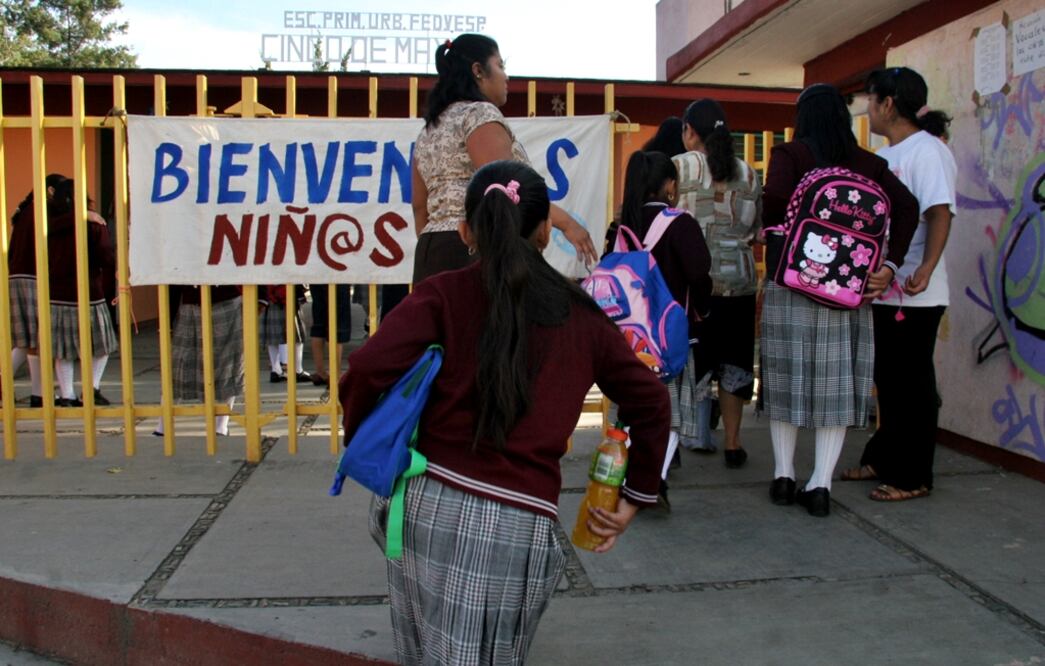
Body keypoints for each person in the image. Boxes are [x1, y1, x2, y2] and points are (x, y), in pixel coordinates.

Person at [340, 161, 670, 664]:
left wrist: (359, 433)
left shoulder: (442, 293)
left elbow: (365, 368)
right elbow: (651, 400)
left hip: (422, 505)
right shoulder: (582, 315)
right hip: (516, 523)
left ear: (467, 230)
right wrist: (634, 497)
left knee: (421, 651)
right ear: (543, 231)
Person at [761, 84, 919, 517]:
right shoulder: (871, 164)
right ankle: (820, 485)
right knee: (833, 384)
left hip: (792, 282)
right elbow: (908, 207)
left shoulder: (790, 156)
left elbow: (774, 201)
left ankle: (783, 475)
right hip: (848, 290)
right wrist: (889, 265)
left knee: (786, 375)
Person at [841, 67, 957, 502]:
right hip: (882, 290)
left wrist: (926, 267)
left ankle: (913, 475)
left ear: (888, 103)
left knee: (912, 383)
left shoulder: (927, 152)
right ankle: (883, 458)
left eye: (871, 101)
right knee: (888, 380)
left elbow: (940, 212)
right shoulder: (884, 156)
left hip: (916, 291)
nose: (867, 110)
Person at [411, 33, 597, 283]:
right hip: (476, 247)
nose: (506, 76)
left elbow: (420, 208)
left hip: (430, 252)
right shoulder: (479, 114)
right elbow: (505, 187)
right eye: (500, 65)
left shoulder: (429, 129)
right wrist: (568, 224)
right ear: (478, 70)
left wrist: (439, 245)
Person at [617, 151, 712, 501]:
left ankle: (625, 471)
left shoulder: (620, 225)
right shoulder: (680, 223)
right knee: (670, 409)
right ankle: (653, 479)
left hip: (627, 337)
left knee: (632, 405)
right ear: (669, 185)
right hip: (668, 335)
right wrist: (702, 310)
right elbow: (700, 274)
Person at [674, 98, 763, 467]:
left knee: (687, 365)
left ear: (690, 131)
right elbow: (756, 232)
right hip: (740, 283)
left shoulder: (679, 167)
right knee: (735, 364)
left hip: (694, 286)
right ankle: (733, 442)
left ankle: (679, 441)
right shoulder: (749, 172)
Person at [43, 179, 118, 406]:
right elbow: (105, 255)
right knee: (102, 344)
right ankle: (91, 388)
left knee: (62, 349)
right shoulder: (94, 223)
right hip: (89, 293)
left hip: (57, 293)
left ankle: (67, 395)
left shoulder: (50, 223)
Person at [154, 284, 250, 437]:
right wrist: (166, 318)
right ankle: (163, 426)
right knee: (178, 365)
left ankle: (220, 426)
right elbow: (171, 277)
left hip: (226, 300)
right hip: (190, 303)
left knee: (227, 363)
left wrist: (262, 298)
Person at [7, 174, 67, 407]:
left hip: (19, 276)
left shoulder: (26, 210)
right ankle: (36, 393)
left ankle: (38, 394)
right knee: (33, 338)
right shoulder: (41, 211)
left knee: (29, 339)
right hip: (32, 277)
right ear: (51, 191)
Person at [259, 283, 309, 383]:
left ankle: (275, 370)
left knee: (272, 336)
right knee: (296, 335)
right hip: (287, 294)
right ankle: (297, 370)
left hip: (270, 296)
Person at [307, 283, 352, 387]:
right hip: (338, 278)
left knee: (318, 323)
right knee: (337, 325)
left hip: (317, 277)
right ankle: (336, 375)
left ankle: (320, 372)